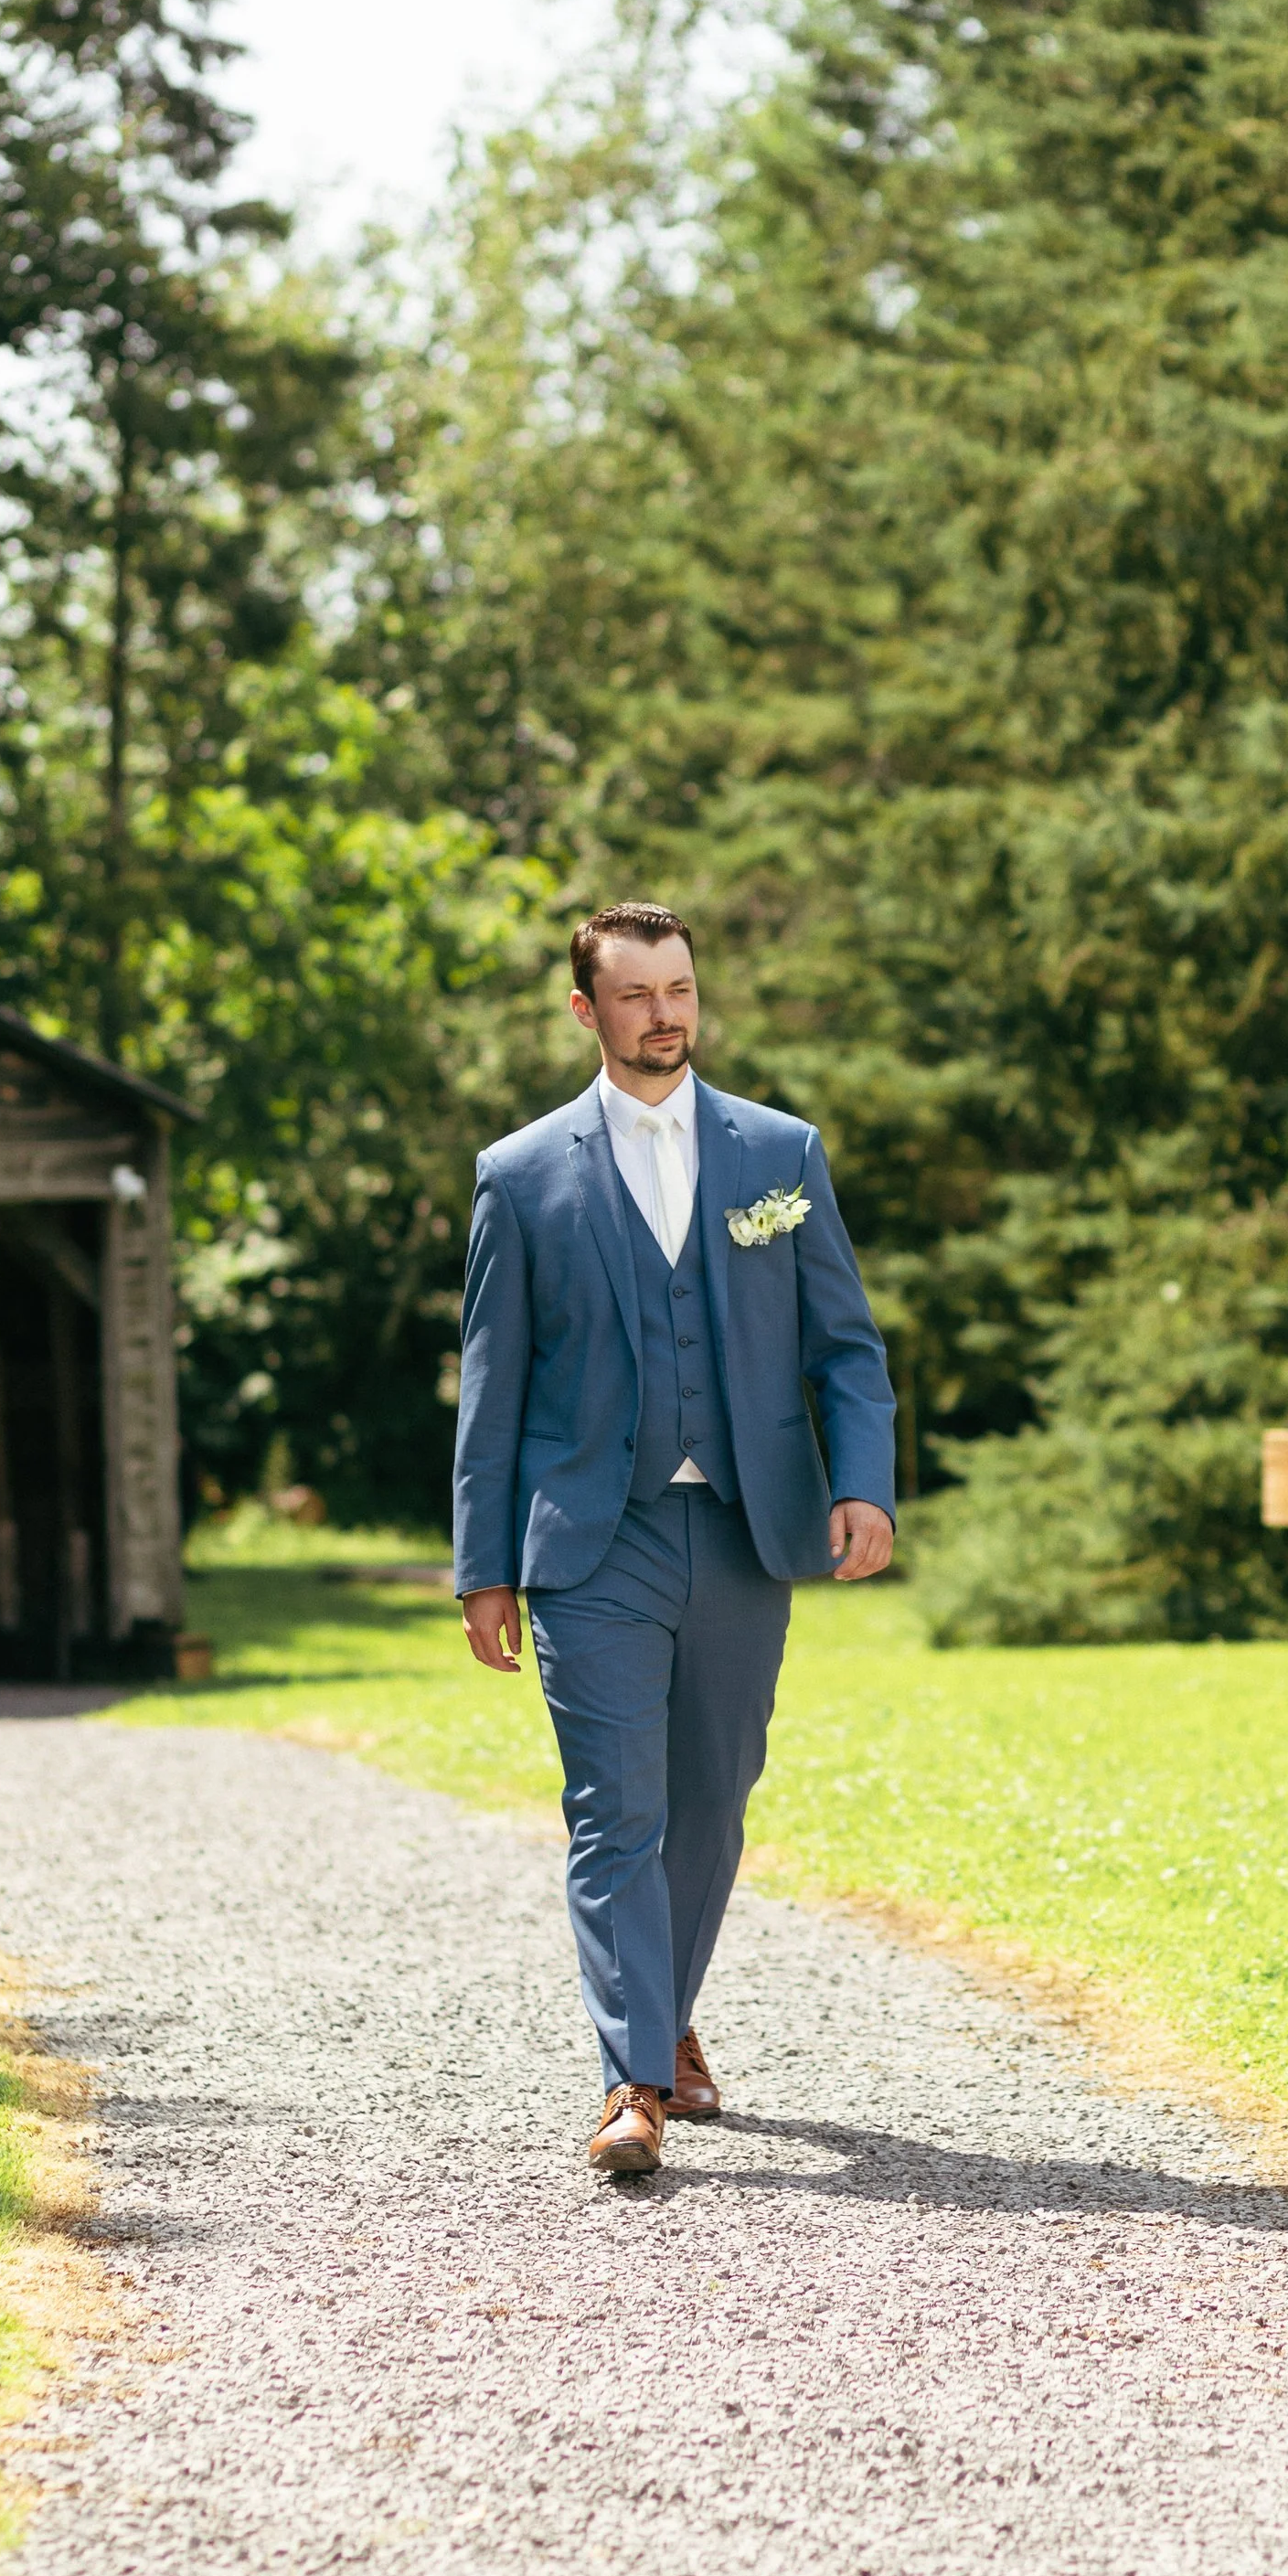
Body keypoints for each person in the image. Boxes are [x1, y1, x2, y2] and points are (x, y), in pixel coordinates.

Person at [454, 902, 897, 2177]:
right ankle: (633, 2081)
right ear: (586, 1010)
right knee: (616, 1810)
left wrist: (860, 1483)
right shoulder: (522, 1173)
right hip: (594, 1535)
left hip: (747, 1527)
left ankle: (661, 2008)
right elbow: (493, 1386)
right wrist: (485, 1564)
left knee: (712, 1802)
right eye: (638, 993)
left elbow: (845, 1348)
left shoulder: (778, 1152)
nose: (667, 1014)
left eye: (682, 988)